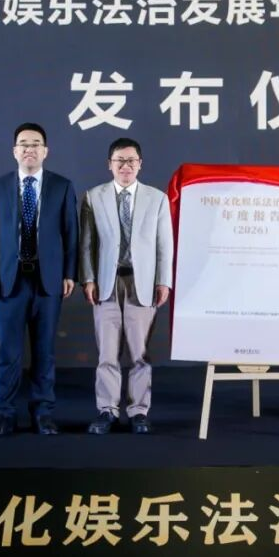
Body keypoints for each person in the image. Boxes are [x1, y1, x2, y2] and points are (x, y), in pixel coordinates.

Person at [0, 122, 77, 437]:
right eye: (24, 144)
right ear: (14, 151)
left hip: (49, 282)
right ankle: (4, 415)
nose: (29, 149)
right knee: (8, 352)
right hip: (9, 281)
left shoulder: (62, 186)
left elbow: (71, 234)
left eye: (35, 144)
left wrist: (69, 273)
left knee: (45, 352)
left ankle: (43, 414)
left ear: (45, 151)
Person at [80, 138, 173, 434]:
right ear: (109, 164)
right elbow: (86, 244)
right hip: (106, 283)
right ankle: (107, 410)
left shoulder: (157, 198)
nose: (126, 166)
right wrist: (88, 278)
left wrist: (164, 281)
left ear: (140, 164)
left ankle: (138, 412)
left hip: (142, 283)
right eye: (119, 160)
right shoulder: (93, 197)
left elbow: (164, 245)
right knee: (107, 353)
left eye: (131, 160)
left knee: (139, 353)